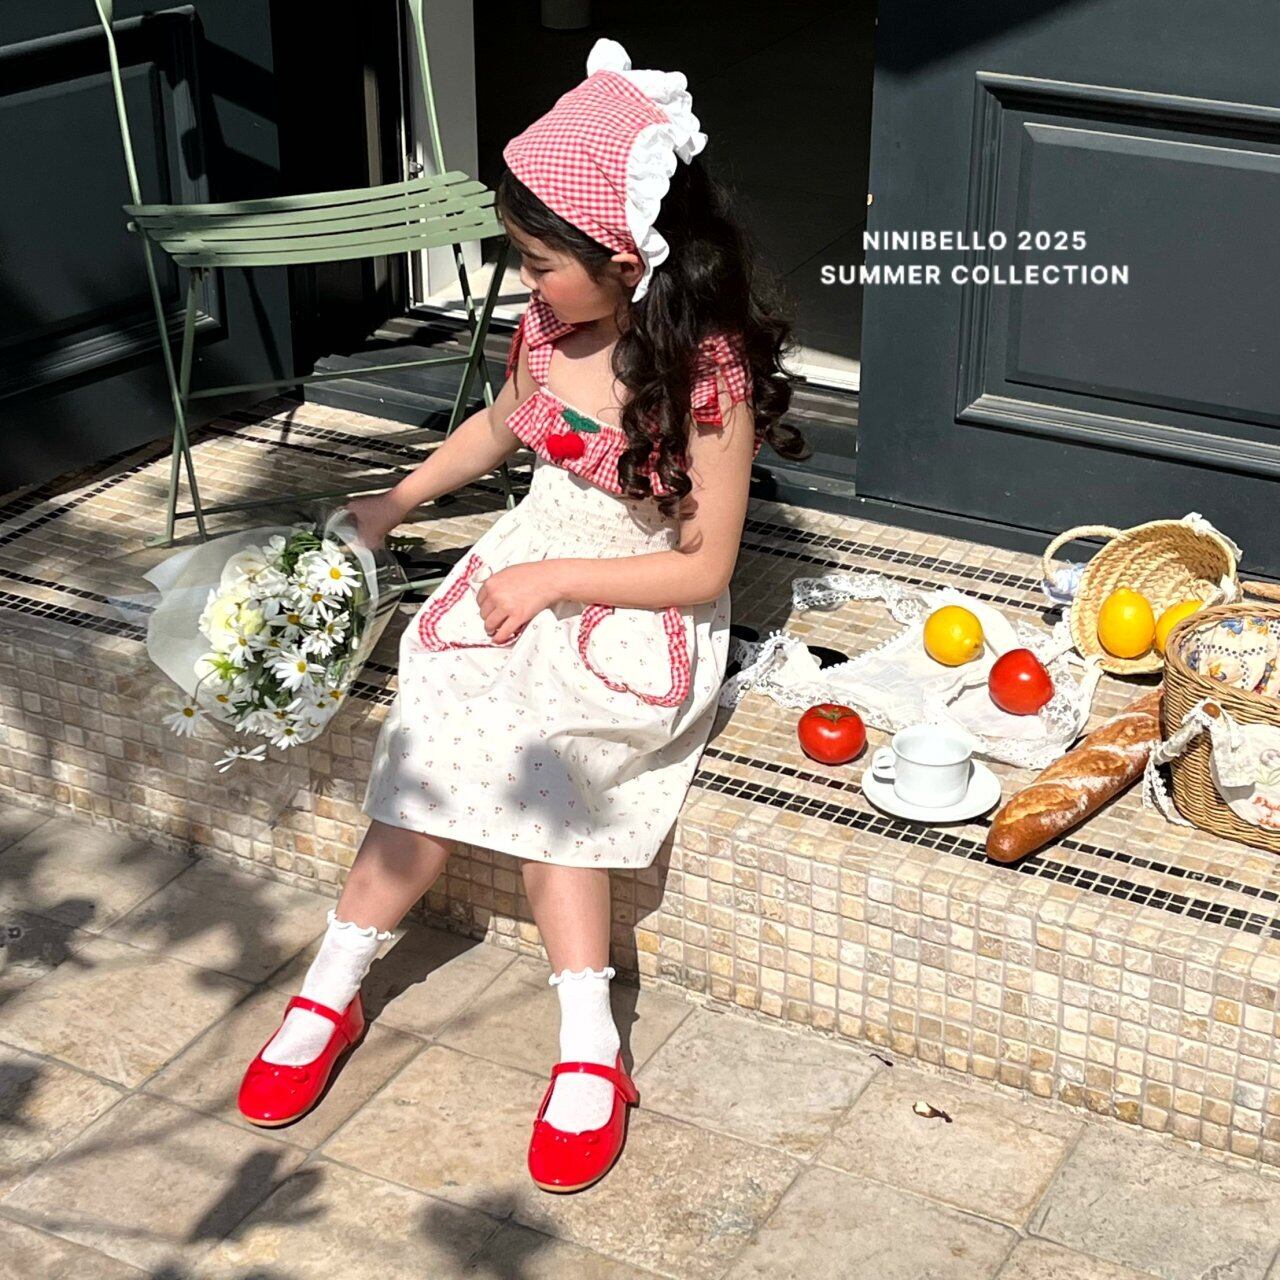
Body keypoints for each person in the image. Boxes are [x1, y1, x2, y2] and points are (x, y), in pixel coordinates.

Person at [235, 36, 804, 1193]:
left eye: (540, 260)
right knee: (438, 727)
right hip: (529, 557)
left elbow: (701, 567)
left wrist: (553, 583)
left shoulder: (706, 378)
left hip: (629, 594)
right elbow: (501, 425)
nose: (525, 280)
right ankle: (333, 982)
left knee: (551, 755)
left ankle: (589, 1037)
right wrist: (395, 500)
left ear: (626, 257)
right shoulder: (548, 331)